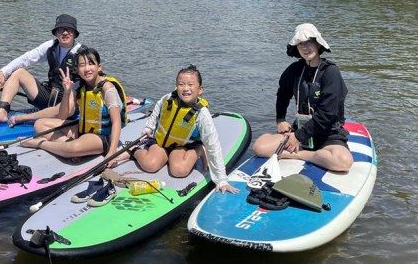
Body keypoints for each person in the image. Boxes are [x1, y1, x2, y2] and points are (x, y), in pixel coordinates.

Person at [252, 23, 354, 172]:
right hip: (301, 129)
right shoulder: (294, 70)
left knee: (343, 162)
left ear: (318, 44)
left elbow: (328, 114)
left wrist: (298, 137)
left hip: (328, 133)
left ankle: (299, 155)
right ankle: (315, 155)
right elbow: (282, 94)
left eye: (309, 42)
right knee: (259, 147)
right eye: (300, 44)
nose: (305, 48)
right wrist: (280, 120)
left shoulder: (331, 72)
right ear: (296, 48)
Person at [132, 65, 237, 193]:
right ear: (176, 87)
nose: (186, 88)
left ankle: (199, 150)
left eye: (190, 84)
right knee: (150, 165)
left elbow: (213, 144)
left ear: (200, 89)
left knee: (179, 170)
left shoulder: (201, 113)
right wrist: (149, 127)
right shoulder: (168, 99)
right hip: (161, 142)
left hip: (184, 146)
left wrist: (221, 180)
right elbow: (157, 110)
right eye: (181, 84)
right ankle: (134, 151)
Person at [21, 47, 127, 164]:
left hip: (102, 136)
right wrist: (67, 92)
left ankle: (42, 144)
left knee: (73, 148)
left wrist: (112, 153)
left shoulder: (107, 88)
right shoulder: (79, 86)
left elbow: (116, 121)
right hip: (82, 130)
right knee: (40, 124)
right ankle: (70, 145)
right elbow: (62, 115)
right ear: (76, 70)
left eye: (91, 64)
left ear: (99, 67)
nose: (87, 69)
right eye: (82, 65)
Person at [0, 14, 83, 126]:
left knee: (66, 106)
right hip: (50, 96)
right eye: (61, 29)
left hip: (69, 102)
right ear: (56, 32)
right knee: (18, 72)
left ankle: (23, 118)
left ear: (75, 33)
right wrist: (3, 73)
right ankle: (2, 111)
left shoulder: (82, 53)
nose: (64, 33)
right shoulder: (50, 46)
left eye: (68, 29)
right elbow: (26, 59)